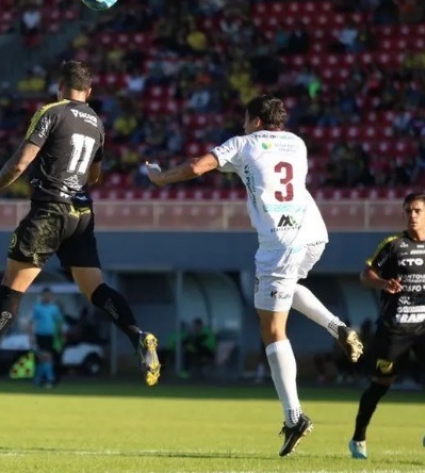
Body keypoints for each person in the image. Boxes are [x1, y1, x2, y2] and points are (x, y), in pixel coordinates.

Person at [146, 94, 363, 456]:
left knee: (272, 328)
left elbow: (197, 168)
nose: (243, 125)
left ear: (256, 121)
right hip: (314, 233)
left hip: (279, 241)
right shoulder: (297, 143)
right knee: (290, 287)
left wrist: (161, 178)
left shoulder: (242, 143)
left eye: (246, 119)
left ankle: (294, 417)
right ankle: (336, 326)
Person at [0, 60, 160, 387]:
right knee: (95, 290)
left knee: (12, 287)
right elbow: (94, 175)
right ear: (89, 91)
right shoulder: (97, 123)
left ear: (60, 86)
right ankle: (137, 334)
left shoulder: (51, 112)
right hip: (82, 214)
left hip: (49, 212)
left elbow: (19, 164)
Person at [349, 192, 425, 459]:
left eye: (418, 211)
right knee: (380, 385)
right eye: (408, 211)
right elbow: (366, 274)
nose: (413, 216)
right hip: (394, 330)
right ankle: (358, 438)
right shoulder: (393, 245)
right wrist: (385, 283)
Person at [29, 288, 64, 385]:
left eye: (49, 295)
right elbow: (31, 322)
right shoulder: (37, 308)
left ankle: (38, 381)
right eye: (45, 295)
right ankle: (49, 379)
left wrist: (60, 335)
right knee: (44, 357)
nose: (47, 297)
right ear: (42, 296)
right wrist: (31, 336)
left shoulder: (54, 308)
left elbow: (59, 322)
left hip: (51, 336)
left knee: (45, 358)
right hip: (40, 335)